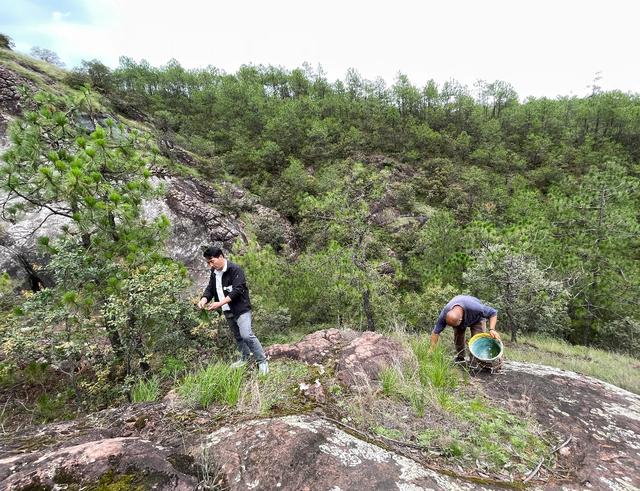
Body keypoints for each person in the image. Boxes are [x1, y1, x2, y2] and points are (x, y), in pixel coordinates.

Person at [197, 246, 269, 375]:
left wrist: (219, 303)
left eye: (211, 261)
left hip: (241, 309)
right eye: (208, 262)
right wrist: (204, 299)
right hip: (227, 310)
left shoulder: (235, 269)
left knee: (246, 334)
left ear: (220, 257)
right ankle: (245, 358)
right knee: (238, 336)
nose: (210, 265)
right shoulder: (214, 272)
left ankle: (262, 361)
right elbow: (210, 289)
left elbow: (237, 290)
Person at [430, 295, 500, 362]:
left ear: (460, 319)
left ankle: (475, 360)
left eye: (454, 325)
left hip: (477, 319)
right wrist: (432, 348)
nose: (453, 327)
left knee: (477, 338)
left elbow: (493, 313)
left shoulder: (475, 307)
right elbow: (436, 332)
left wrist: (492, 329)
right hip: (460, 318)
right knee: (458, 336)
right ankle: (461, 356)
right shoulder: (445, 313)